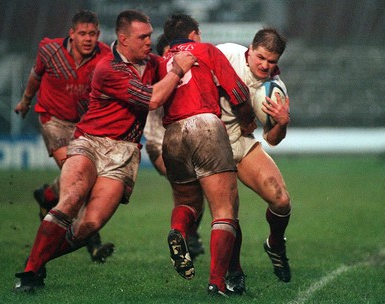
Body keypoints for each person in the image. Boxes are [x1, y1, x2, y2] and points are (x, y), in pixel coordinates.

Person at [13, 9, 196, 292]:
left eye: (150, 36)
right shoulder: (109, 68)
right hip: (91, 142)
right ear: (123, 39)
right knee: (70, 200)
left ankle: (37, 259)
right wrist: (178, 69)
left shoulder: (151, 63)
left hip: (124, 154)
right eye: (143, 37)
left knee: (90, 224)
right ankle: (29, 274)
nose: (150, 41)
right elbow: (153, 98)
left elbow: (174, 67)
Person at [158, 14, 256, 296]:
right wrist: (248, 119)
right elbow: (237, 90)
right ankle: (217, 281)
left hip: (173, 133)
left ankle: (178, 229)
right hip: (205, 126)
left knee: (189, 203)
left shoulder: (163, 61)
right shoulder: (205, 50)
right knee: (224, 209)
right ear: (194, 34)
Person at [14, 10, 115, 263]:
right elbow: (36, 76)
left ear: (98, 34)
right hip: (54, 121)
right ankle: (94, 245)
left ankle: (48, 196)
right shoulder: (49, 50)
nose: (88, 39)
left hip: (83, 126)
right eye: (82, 33)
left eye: (92, 34)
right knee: (79, 180)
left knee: (78, 181)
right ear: (71, 34)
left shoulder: (105, 56)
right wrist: (25, 101)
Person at [217, 27, 292, 284]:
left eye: (272, 61)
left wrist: (281, 123)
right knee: (229, 210)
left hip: (241, 141)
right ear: (250, 49)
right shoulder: (226, 55)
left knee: (281, 200)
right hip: (212, 144)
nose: (265, 65)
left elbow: (271, 140)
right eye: (260, 57)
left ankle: (275, 244)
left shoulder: (274, 87)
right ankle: (234, 272)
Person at [143, 34, 205, 260]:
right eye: (171, 53)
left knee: (195, 190)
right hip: (158, 143)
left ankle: (189, 234)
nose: (176, 58)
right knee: (187, 187)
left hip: (187, 141)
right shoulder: (155, 73)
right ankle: (187, 235)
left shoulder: (190, 74)